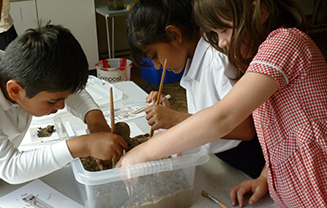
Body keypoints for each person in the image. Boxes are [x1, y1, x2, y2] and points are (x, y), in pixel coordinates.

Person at [117, 0, 327, 207]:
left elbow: (223, 117)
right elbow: (279, 135)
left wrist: (144, 152)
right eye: (215, 34)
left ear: (260, 12)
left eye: (224, 30)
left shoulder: (285, 43)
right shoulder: (261, 60)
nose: (222, 43)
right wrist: (266, 177)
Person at [0, 23, 127, 207]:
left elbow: (70, 92)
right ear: (14, 90)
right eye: (52, 101)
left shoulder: (20, 70)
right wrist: (82, 145)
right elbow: (10, 167)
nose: (61, 106)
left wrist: (96, 123)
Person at [127, 0, 264, 178]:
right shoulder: (193, 60)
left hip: (247, 163)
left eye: (155, 56)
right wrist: (171, 114)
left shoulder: (216, 59)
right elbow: (206, 112)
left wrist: (176, 119)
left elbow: (245, 128)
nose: (157, 67)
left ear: (174, 35)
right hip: (220, 159)